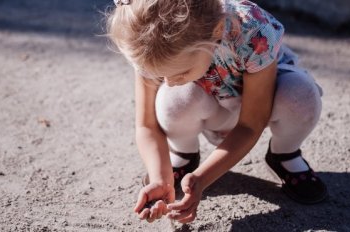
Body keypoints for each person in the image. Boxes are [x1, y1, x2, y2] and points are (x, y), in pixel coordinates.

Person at [107, 0, 327, 224]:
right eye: (159, 74)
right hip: (210, 103)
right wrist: (159, 179)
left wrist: (203, 179)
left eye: (181, 72)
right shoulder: (148, 37)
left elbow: (251, 125)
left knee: (301, 95)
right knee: (171, 98)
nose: (169, 82)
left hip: (260, 103)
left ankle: (284, 154)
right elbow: (146, 125)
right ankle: (183, 155)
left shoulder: (253, 30)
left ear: (218, 30)